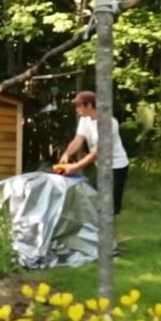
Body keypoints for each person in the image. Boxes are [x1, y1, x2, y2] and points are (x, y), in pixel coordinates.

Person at [59, 90, 130, 253]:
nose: (76, 109)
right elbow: (78, 140)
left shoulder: (109, 123)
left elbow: (98, 152)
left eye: (79, 106)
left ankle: (111, 246)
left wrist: (75, 167)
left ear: (90, 105)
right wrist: (66, 154)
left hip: (116, 167)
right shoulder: (84, 120)